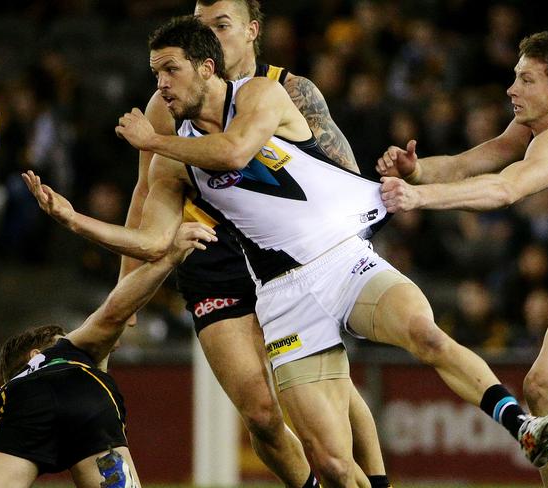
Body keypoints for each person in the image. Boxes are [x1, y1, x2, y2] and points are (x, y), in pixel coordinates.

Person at [26, 17, 548, 487]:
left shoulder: (260, 96)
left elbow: (234, 150)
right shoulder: (172, 165)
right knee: (328, 462)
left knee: (424, 332)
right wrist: (75, 220)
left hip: (342, 258)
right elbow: (153, 242)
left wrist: (153, 142)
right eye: (154, 73)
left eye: (169, 70)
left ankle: (521, 426)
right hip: (283, 296)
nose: (160, 85)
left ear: (206, 68)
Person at [120, 1, 388, 487]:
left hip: (285, 252)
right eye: (202, 27)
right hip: (213, 255)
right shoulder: (165, 103)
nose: (211, 36)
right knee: (261, 414)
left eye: (222, 25)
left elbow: (341, 173)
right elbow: (147, 190)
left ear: (251, 32)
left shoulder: (288, 91)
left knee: (336, 396)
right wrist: (127, 291)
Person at [377, 30, 548, 488]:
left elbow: (505, 188)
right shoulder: (532, 130)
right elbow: (479, 160)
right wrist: (417, 171)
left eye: (527, 80)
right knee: (542, 388)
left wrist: (419, 197)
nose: (511, 89)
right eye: (515, 76)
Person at [0, 222, 216, 488]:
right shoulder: (80, 359)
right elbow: (113, 314)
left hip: (37, 402)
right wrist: (170, 257)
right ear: (34, 355)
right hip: (95, 401)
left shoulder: (7, 395)